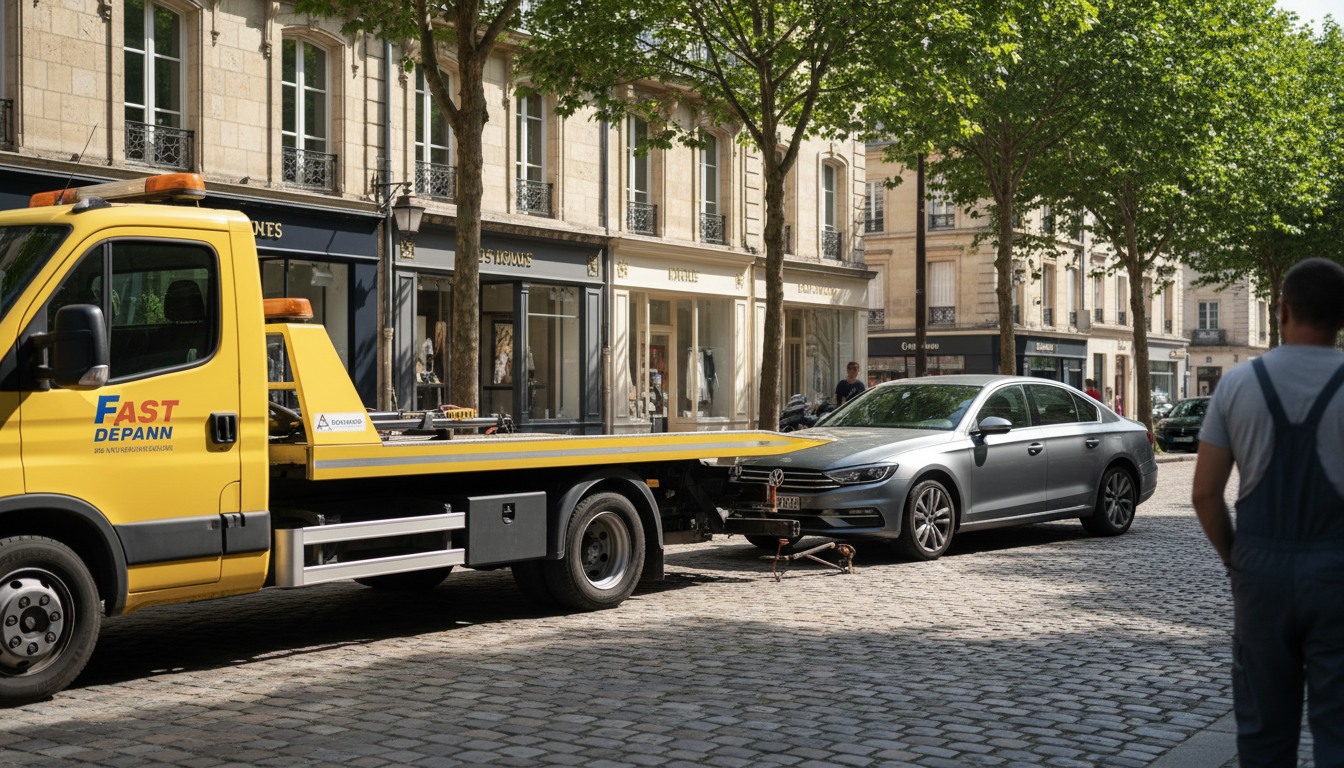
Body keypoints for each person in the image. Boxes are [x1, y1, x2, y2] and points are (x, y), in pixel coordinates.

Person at [1192, 257, 1344, 768]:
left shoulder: (1237, 384)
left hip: (1261, 574)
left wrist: (1240, 560)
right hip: (1338, 574)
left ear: (1281, 310)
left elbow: (1205, 495)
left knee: (1262, 735)